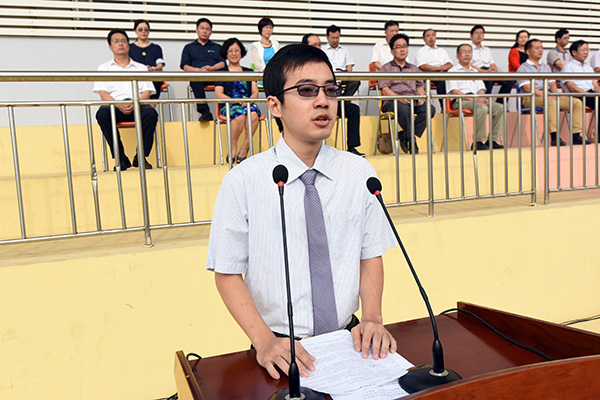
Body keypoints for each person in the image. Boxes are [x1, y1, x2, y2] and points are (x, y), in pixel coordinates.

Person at [206, 43, 397, 380]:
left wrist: (372, 318)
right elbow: (227, 271)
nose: (323, 101)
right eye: (307, 91)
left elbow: (370, 254)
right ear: (274, 105)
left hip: (351, 342)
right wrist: (264, 341)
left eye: (330, 90)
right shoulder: (243, 181)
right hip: (279, 349)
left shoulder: (359, 173)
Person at [93, 29, 157, 170]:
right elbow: (103, 93)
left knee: (150, 113)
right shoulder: (103, 68)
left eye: (123, 41)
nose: (120, 44)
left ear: (128, 45)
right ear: (110, 47)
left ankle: (141, 156)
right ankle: (120, 157)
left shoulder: (140, 68)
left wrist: (134, 103)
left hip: (137, 104)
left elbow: (147, 92)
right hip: (115, 105)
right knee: (102, 114)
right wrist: (118, 104)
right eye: (116, 41)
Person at [302, 33, 365, 156]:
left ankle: (352, 148)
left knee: (353, 109)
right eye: (314, 45)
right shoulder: (301, 65)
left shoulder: (325, 62)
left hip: (329, 101)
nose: (318, 47)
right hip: (310, 103)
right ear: (306, 47)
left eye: (319, 44)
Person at [517, 39, 584, 146]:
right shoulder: (522, 68)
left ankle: (576, 136)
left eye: (541, 48)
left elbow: (552, 83)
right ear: (528, 52)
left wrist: (553, 95)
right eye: (537, 48)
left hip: (548, 95)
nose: (540, 50)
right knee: (551, 103)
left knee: (576, 103)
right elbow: (528, 88)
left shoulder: (546, 67)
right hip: (530, 97)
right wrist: (547, 96)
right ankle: (554, 136)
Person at [380, 33, 436, 154]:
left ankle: (405, 135)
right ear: (392, 51)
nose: (402, 49)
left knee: (430, 109)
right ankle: (412, 141)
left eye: (404, 46)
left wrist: (421, 97)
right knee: (404, 110)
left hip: (412, 100)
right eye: (398, 47)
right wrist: (399, 99)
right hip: (392, 101)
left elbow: (420, 86)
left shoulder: (414, 68)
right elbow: (385, 89)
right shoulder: (386, 68)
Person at [447, 43, 505, 151]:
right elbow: (455, 91)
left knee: (499, 108)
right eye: (464, 52)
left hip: (476, 98)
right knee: (482, 108)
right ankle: (478, 141)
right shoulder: (452, 71)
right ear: (457, 56)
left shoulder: (475, 71)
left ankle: (493, 140)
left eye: (469, 52)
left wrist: (481, 97)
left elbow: (481, 88)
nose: (467, 54)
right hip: (460, 100)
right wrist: (476, 99)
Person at [215, 38, 261, 164]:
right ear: (226, 53)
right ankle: (233, 147)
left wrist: (248, 100)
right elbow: (219, 94)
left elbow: (255, 92)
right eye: (230, 51)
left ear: (241, 53)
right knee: (240, 115)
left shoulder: (249, 72)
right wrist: (234, 101)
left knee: (253, 114)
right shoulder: (221, 72)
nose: (234, 53)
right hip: (229, 105)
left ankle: (245, 147)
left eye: (237, 50)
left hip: (247, 104)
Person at [180, 18, 226, 121]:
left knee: (226, 81)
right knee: (195, 79)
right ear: (196, 30)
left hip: (214, 76)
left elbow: (223, 63)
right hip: (198, 76)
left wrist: (212, 68)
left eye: (207, 29)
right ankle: (205, 112)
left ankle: (226, 111)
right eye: (202, 28)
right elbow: (185, 66)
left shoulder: (217, 47)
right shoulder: (189, 47)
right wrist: (198, 71)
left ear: (211, 32)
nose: (204, 31)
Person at [561, 40, 597, 142]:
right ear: (574, 52)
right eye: (583, 50)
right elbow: (571, 87)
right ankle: (598, 135)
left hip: (590, 93)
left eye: (587, 50)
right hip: (577, 94)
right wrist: (587, 94)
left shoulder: (589, 68)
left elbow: (595, 85)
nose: (586, 52)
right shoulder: (568, 67)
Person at [469, 25, 515, 102]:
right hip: (477, 73)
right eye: (476, 33)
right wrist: (485, 71)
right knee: (489, 78)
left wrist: (494, 69)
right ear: (471, 36)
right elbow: (469, 65)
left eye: (481, 33)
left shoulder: (487, 49)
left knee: (510, 80)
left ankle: (500, 103)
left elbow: (492, 63)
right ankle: (486, 103)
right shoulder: (468, 49)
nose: (479, 35)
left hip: (488, 72)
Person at [128, 19, 165, 100]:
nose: (143, 32)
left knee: (156, 81)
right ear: (135, 31)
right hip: (136, 79)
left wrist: (153, 69)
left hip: (153, 78)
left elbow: (160, 65)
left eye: (146, 30)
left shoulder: (156, 48)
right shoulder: (129, 48)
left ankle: (151, 106)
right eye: (140, 30)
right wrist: (142, 69)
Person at [415, 28, 453, 100]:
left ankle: (456, 102)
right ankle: (443, 104)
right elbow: (422, 66)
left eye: (433, 35)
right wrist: (439, 68)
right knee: (442, 81)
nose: (431, 37)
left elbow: (450, 63)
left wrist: (445, 67)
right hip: (430, 74)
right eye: (428, 36)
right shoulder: (421, 51)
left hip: (443, 73)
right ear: (424, 39)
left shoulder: (442, 51)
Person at [323, 25, 360, 97]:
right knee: (334, 85)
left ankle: (345, 100)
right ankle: (338, 101)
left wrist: (347, 75)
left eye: (337, 38)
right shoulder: (323, 50)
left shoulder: (345, 50)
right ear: (327, 37)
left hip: (343, 75)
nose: (335, 40)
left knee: (355, 81)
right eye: (333, 38)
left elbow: (349, 65)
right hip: (330, 75)